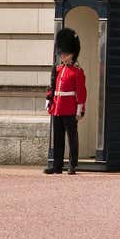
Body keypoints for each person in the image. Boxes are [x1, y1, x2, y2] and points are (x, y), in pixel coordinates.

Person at [44, 28, 86, 175]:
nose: (62, 55)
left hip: (70, 108)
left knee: (72, 138)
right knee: (58, 138)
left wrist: (80, 109)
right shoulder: (58, 69)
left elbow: (81, 92)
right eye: (61, 53)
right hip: (57, 107)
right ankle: (57, 165)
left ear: (72, 54)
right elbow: (53, 86)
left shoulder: (77, 72)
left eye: (65, 53)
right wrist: (49, 99)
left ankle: (73, 165)